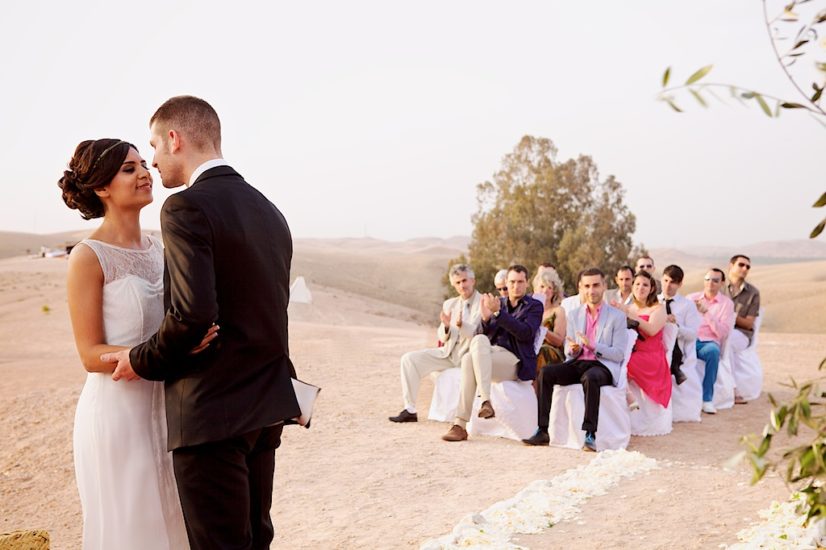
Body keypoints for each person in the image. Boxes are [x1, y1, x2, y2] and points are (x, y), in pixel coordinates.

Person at [100, 96, 301, 549]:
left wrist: (140, 360)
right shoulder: (270, 211)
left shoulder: (186, 207)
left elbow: (192, 318)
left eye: (153, 145)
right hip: (265, 409)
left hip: (212, 412)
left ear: (175, 139)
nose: (151, 160)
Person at [60, 139, 216, 549]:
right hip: (117, 416)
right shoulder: (88, 257)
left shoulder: (160, 249)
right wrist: (156, 357)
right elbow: (89, 354)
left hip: (169, 410)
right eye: (129, 169)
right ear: (101, 188)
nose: (145, 173)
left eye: (144, 163)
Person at [523, 268, 628, 452]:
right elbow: (568, 349)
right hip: (578, 362)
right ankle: (542, 430)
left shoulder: (617, 316)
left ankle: (590, 434)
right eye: (586, 286)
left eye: (596, 285)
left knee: (591, 377)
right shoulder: (574, 314)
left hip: (602, 366)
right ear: (580, 287)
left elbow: (619, 354)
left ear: (604, 286)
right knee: (546, 373)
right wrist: (573, 349)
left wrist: (594, 346)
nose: (591, 290)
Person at [441, 265, 543, 442]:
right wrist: (486, 319)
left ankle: (461, 422)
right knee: (471, 352)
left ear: (526, 283)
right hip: (490, 355)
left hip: (514, 360)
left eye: (520, 282)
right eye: (512, 282)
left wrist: (498, 313)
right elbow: (479, 334)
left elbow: (525, 333)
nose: (515, 286)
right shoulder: (499, 303)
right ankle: (479, 408)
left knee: (468, 359)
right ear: (506, 283)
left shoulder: (534, 306)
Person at [389, 264, 482, 422]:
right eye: (457, 283)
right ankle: (410, 410)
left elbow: (478, 334)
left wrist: (461, 325)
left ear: (473, 280)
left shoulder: (483, 303)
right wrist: (446, 326)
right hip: (448, 354)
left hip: (468, 357)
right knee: (408, 359)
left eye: (464, 280)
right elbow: (442, 336)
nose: (462, 285)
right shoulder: (449, 304)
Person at [687, 268, 735, 414]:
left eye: (715, 280)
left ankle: (707, 399)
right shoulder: (691, 298)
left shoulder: (726, 304)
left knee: (713, 352)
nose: (710, 283)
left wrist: (705, 312)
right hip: (689, 339)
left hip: (708, 342)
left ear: (722, 283)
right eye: (707, 279)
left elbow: (722, 332)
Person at [624, 271, 671, 410]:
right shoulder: (629, 307)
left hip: (650, 355)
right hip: (631, 352)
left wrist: (633, 316)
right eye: (637, 284)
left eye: (645, 285)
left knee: (622, 365)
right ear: (632, 287)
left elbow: (651, 330)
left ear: (651, 289)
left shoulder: (658, 308)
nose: (641, 287)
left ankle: (628, 396)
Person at [723, 254, 761, 404]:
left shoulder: (753, 293)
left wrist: (730, 316)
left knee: (728, 342)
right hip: (717, 330)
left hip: (741, 334)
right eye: (741, 265)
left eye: (748, 266)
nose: (745, 269)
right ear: (730, 266)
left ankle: (733, 389)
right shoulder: (719, 287)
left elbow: (749, 324)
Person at [658, 265, 701, 386]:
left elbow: (692, 335)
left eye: (672, 282)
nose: (668, 285)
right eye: (665, 280)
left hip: (676, 348)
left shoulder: (687, 305)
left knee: (673, 349)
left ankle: (675, 369)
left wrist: (676, 327)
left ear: (680, 284)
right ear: (661, 279)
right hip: (656, 344)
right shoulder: (653, 301)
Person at [533, 267, 567, 370]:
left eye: (549, 287)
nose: (545, 290)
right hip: (531, 348)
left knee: (542, 351)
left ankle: (538, 386)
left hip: (551, 352)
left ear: (554, 291)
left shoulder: (558, 311)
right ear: (535, 289)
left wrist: (542, 330)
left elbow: (559, 341)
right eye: (542, 286)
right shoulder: (530, 311)